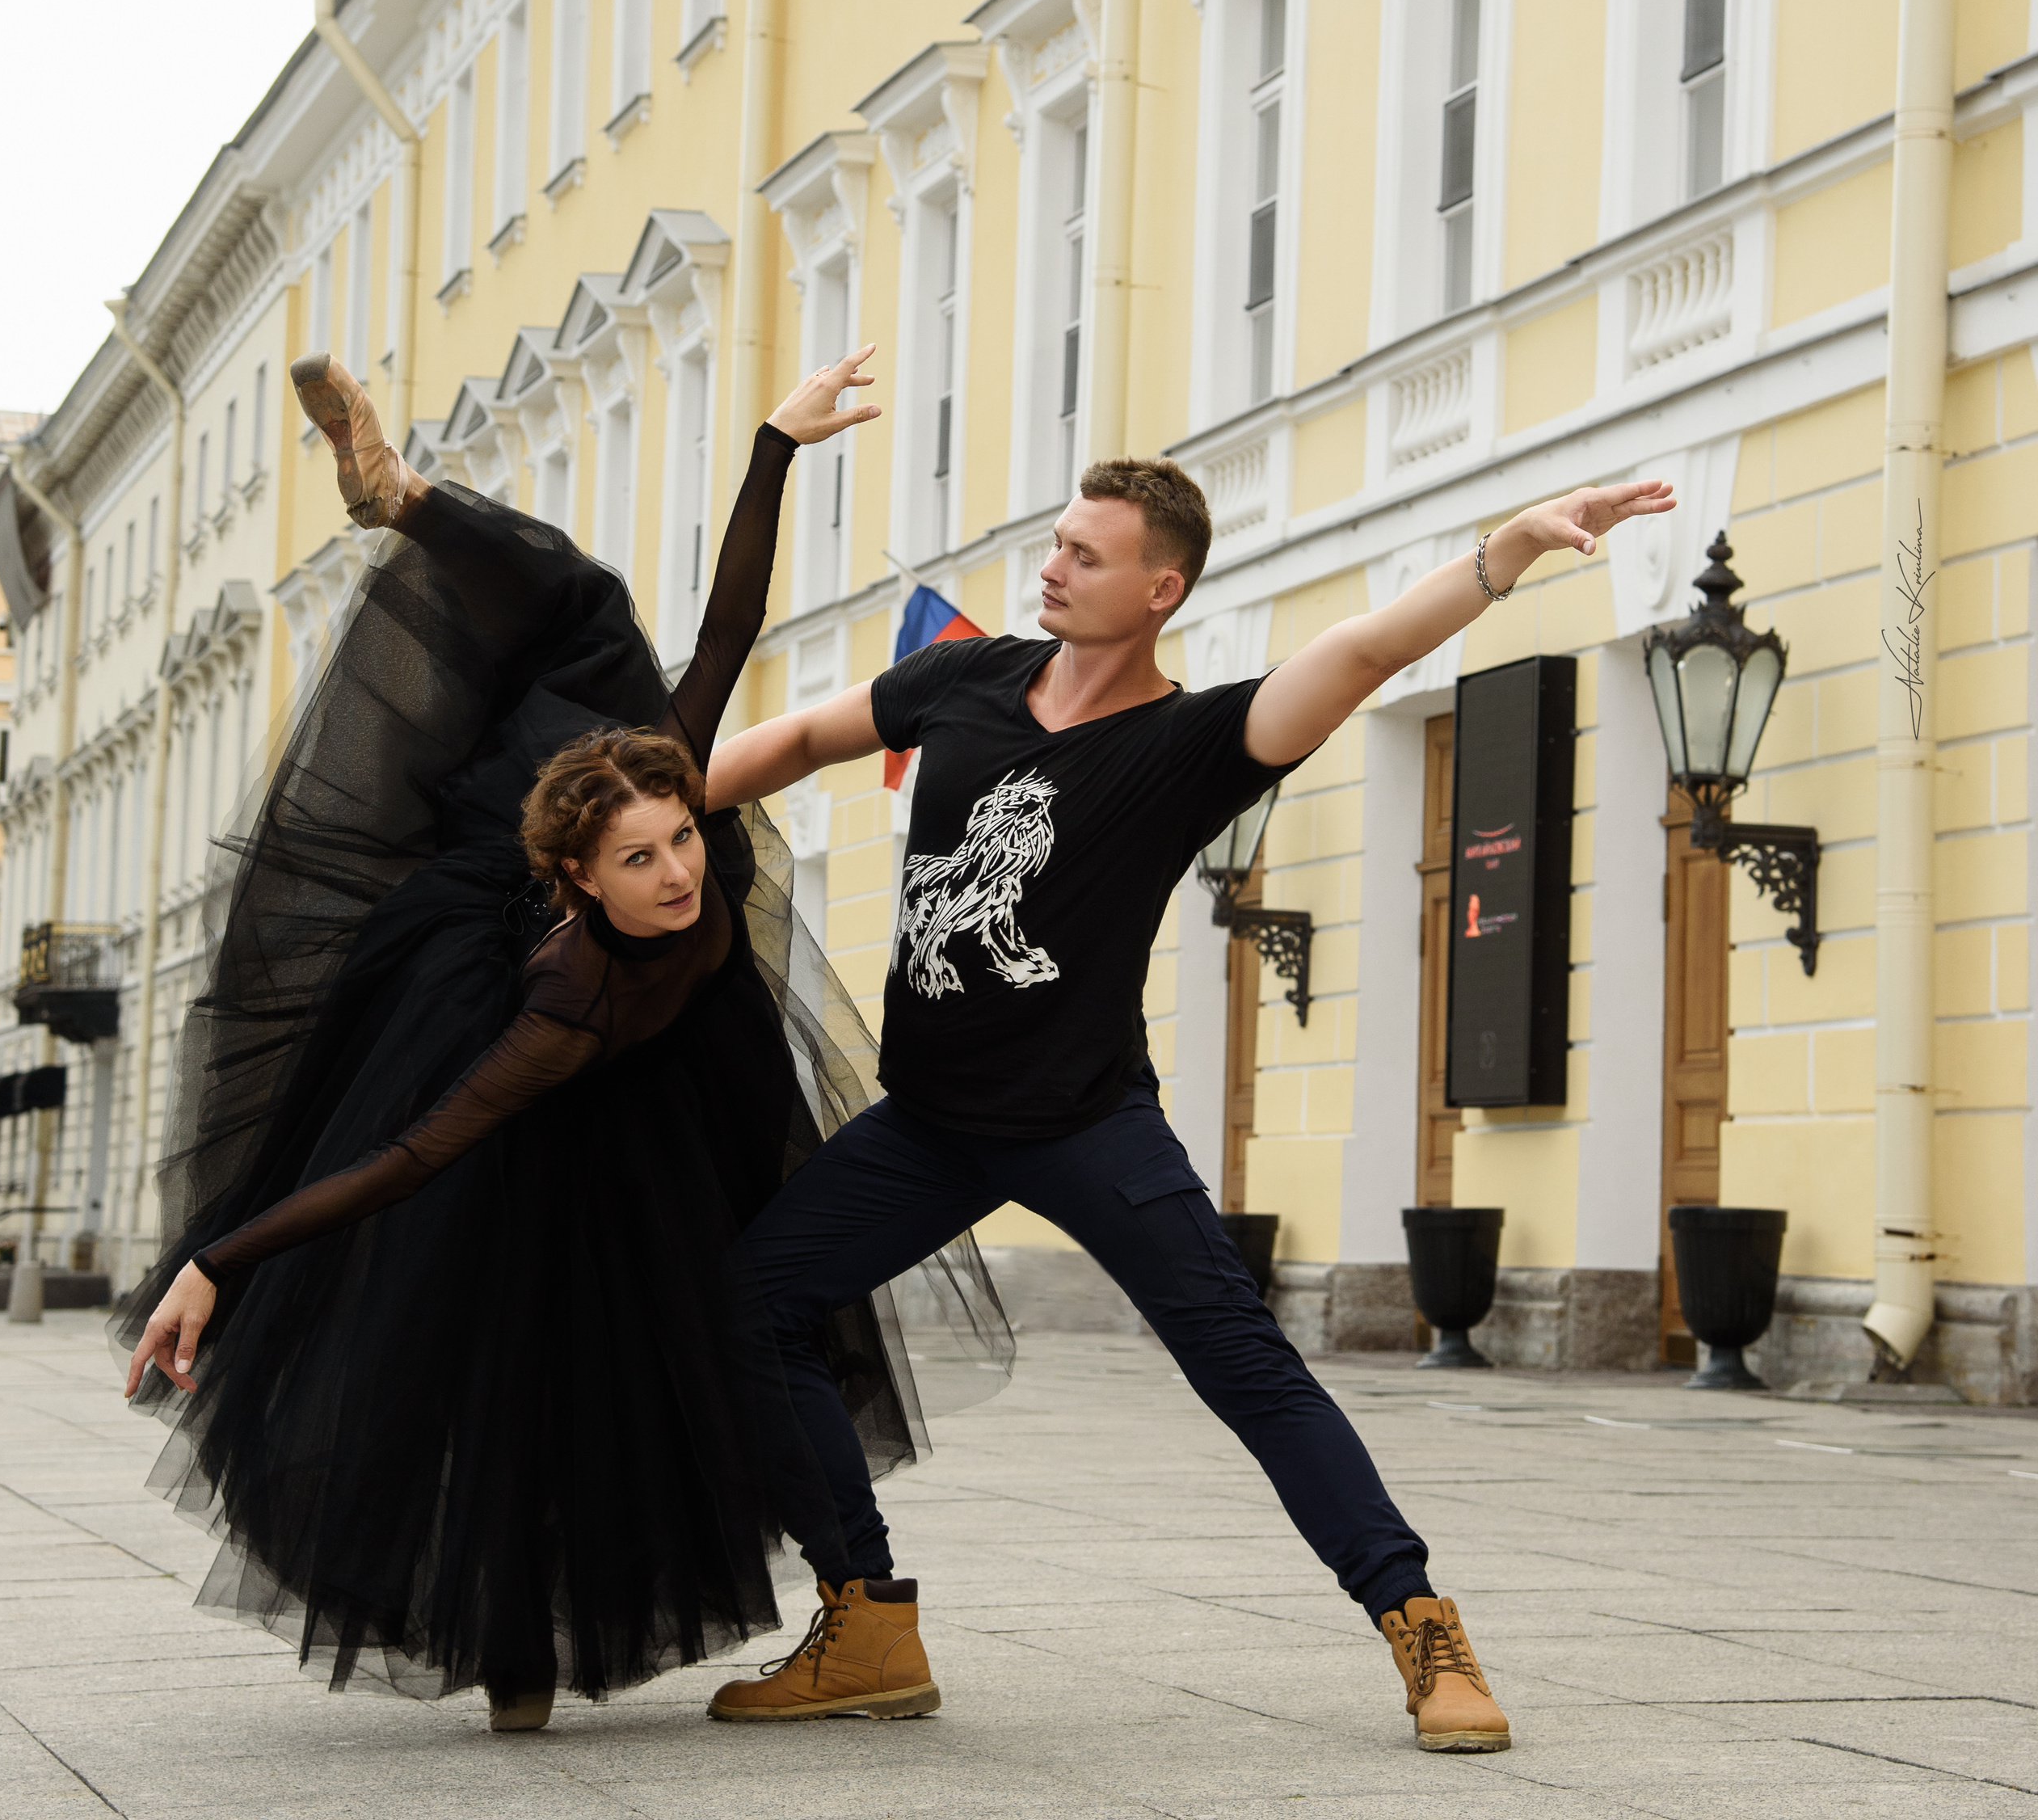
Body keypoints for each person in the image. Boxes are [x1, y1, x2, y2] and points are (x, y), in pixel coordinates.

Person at [700, 453, 1674, 1750]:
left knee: (1247, 1368)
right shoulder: (963, 678)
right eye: (1056, 541)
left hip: (1085, 1122)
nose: (1051, 565)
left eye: (1084, 554)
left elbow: (1366, 651)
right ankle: (867, 1623)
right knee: (750, 1302)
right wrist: (627, 816)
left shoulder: (1194, 743)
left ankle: (1421, 1624)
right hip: (928, 1122)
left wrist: (1511, 548)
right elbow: (794, 743)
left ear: (1160, 589)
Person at [116, 343, 1008, 1730]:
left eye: (684, 843)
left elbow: (729, 627)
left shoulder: (668, 797)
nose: (685, 872)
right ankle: (515, 1642)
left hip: (658, 1066)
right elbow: (412, 1155)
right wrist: (216, 1262)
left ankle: (405, 500)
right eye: (647, 860)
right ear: (585, 880)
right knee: (506, 1336)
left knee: (592, 611)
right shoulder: (562, 1000)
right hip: (527, 998)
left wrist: (775, 446)